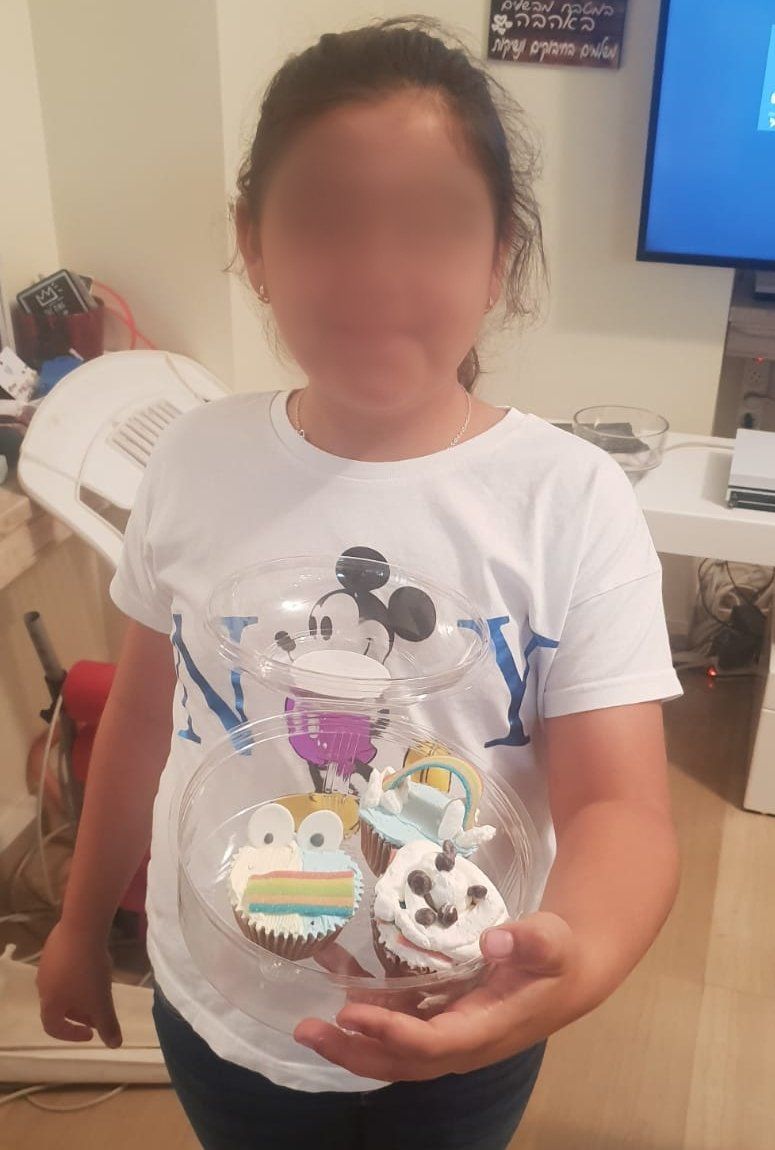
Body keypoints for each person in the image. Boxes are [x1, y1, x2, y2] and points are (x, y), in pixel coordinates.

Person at [36, 18, 684, 1150]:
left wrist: (570, 961)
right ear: (253, 242)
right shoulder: (196, 459)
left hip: (460, 1016)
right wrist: (81, 923)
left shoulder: (567, 499)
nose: (377, 269)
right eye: (326, 218)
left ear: (498, 257)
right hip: (221, 1012)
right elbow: (142, 718)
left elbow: (617, 807)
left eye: (431, 224)